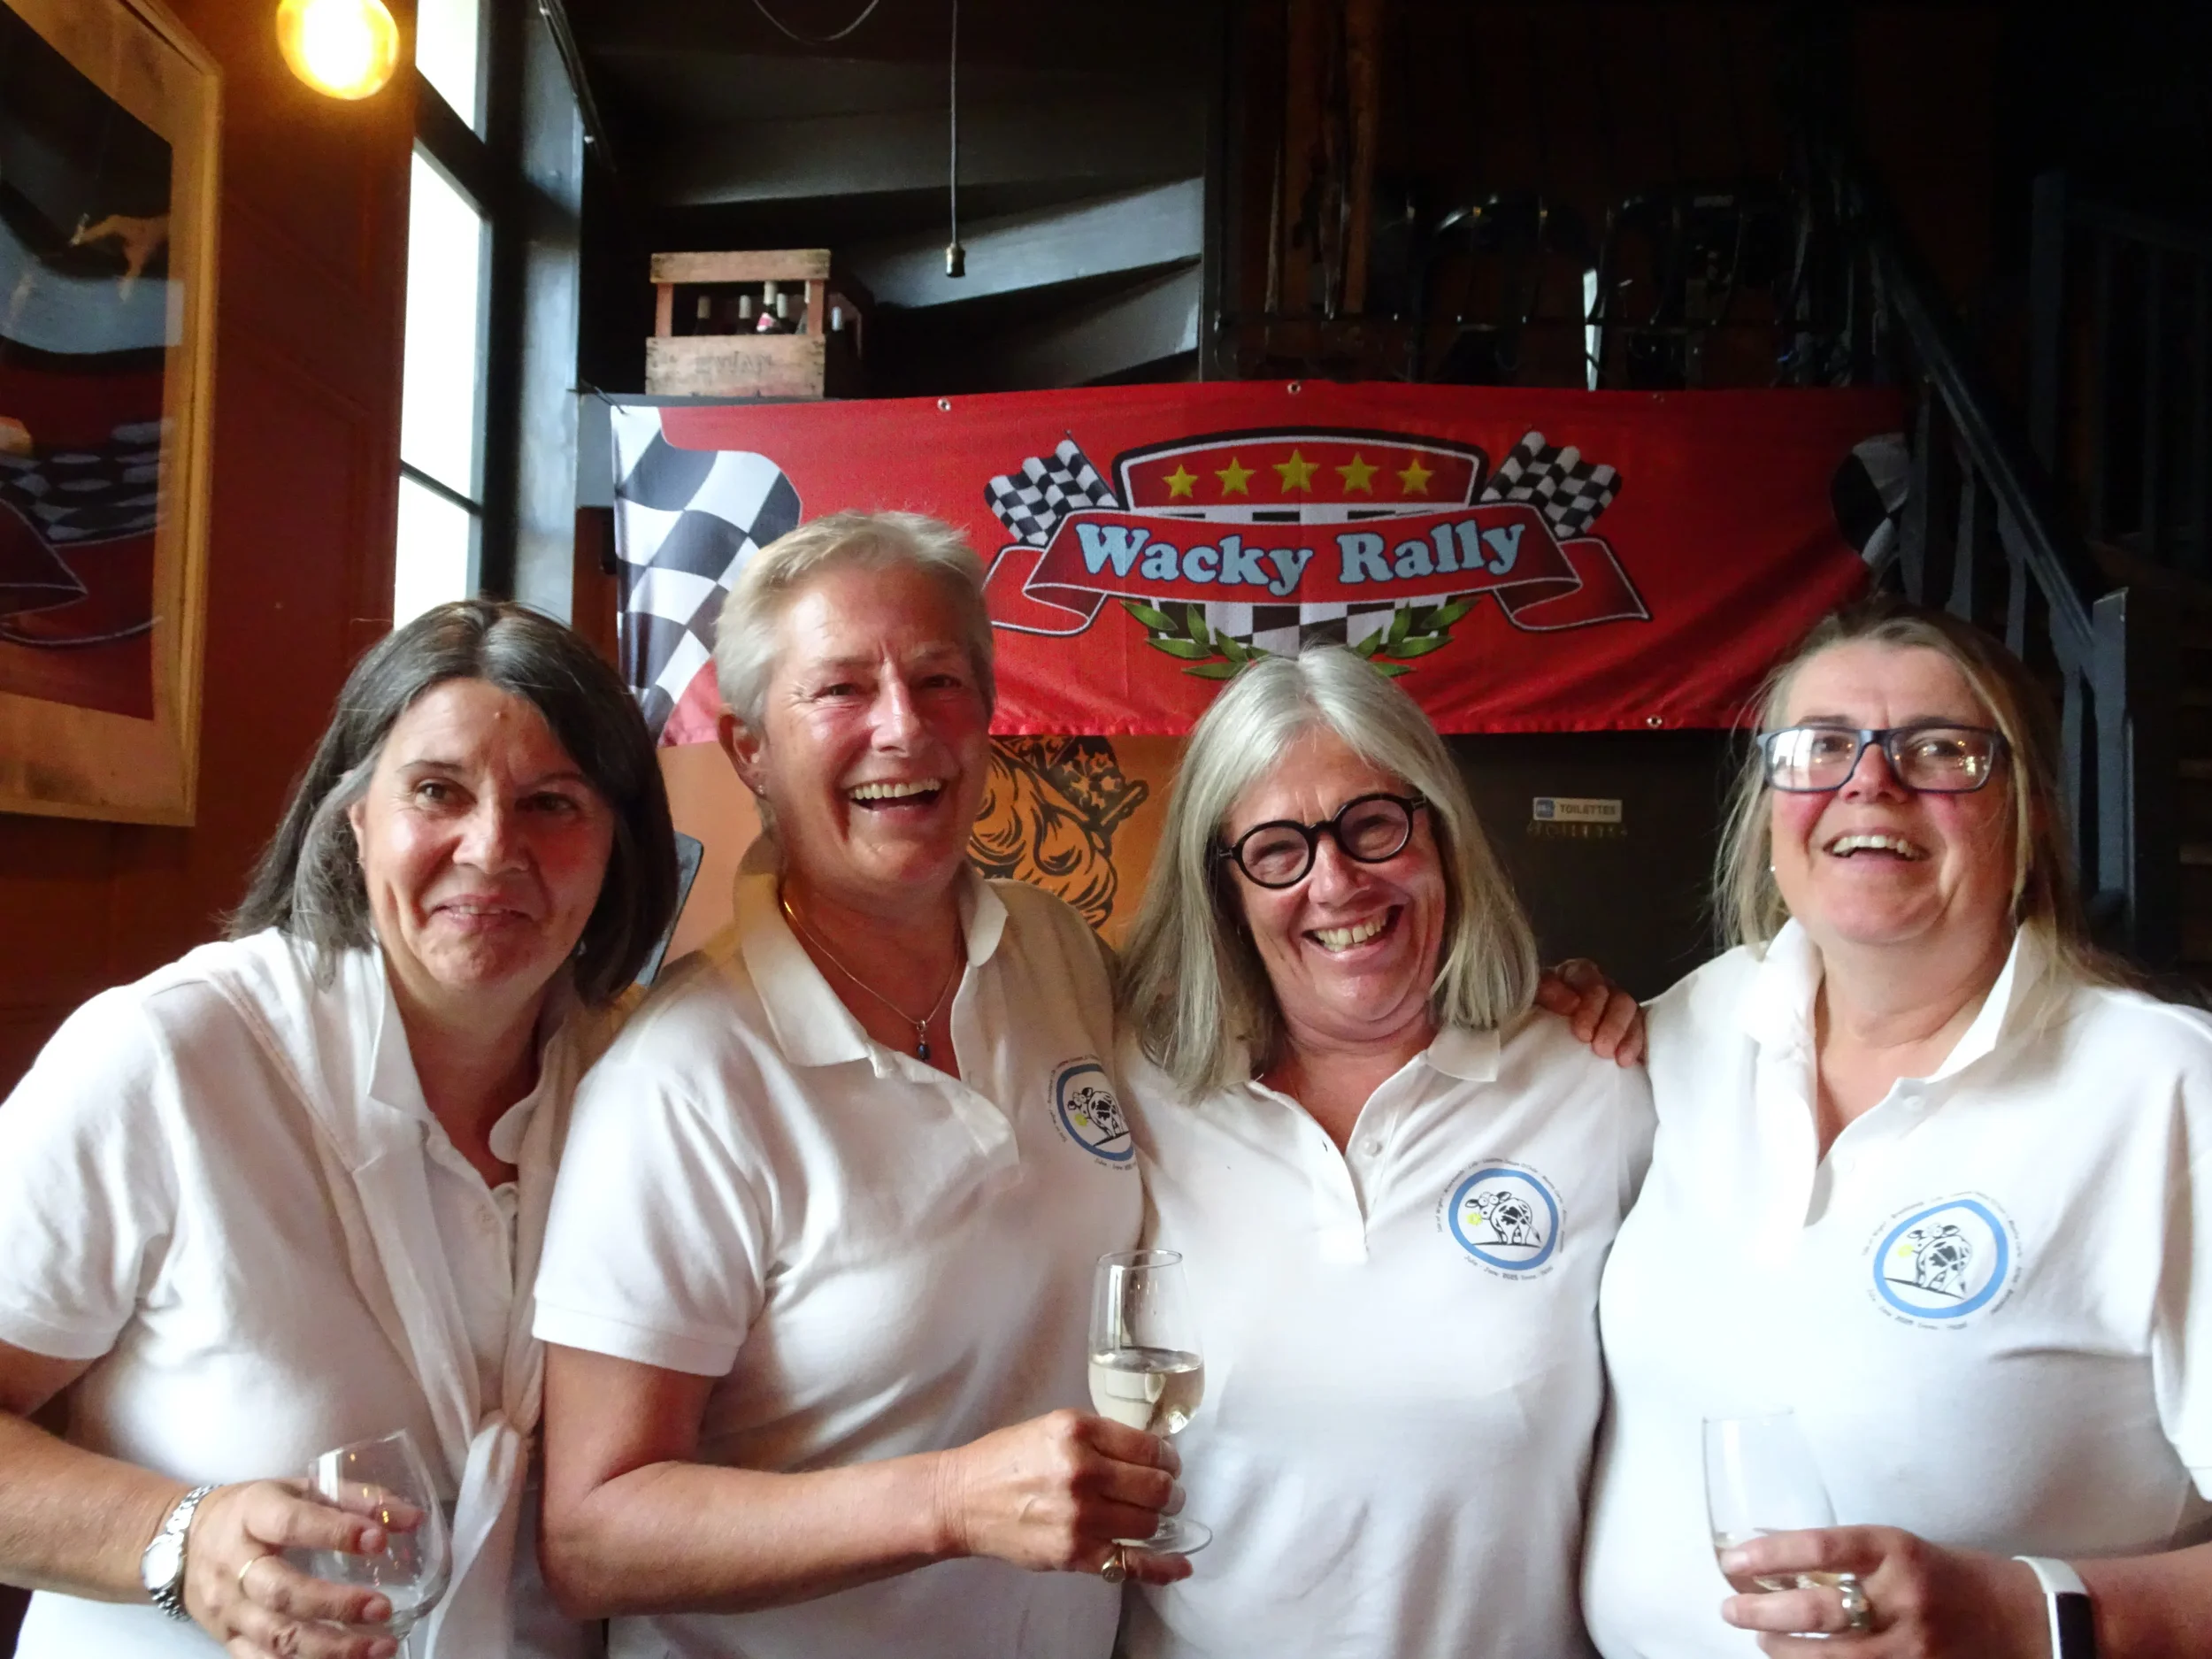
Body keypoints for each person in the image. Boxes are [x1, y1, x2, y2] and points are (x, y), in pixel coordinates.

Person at [530, 511, 1185, 1659]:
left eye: (940, 680)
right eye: (840, 688)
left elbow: (1269, 1031)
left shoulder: (1055, 951)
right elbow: (593, 1533)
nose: (903, 727)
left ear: (986, 719)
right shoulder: (682, 1080)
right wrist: (950, 1500)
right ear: (748, 750)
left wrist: (1513, 1002)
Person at [0, 600, 679, 1659]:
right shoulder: (168, 1058)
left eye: (553, 803)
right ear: (354, 818)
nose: (492, 849)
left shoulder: (649, 1086)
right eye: (437, 792)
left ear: (618, 849)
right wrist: (176, 1538)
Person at [1583, 595, 2212, 1658]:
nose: (1867, 783)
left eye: (1940, 751)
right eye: (1819, 746)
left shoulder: (2162, 1089)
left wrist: (2026, 1613)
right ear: (1769, 812)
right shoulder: (1686, 1029)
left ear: (2028, 815)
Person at [1111, 646, 1654, 1659]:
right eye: (1277, 849)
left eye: (1372, 824)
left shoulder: (1599, 1084)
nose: (1336, 883)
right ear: (1223, 889)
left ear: (1441, 837)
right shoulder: (1132, 1092)